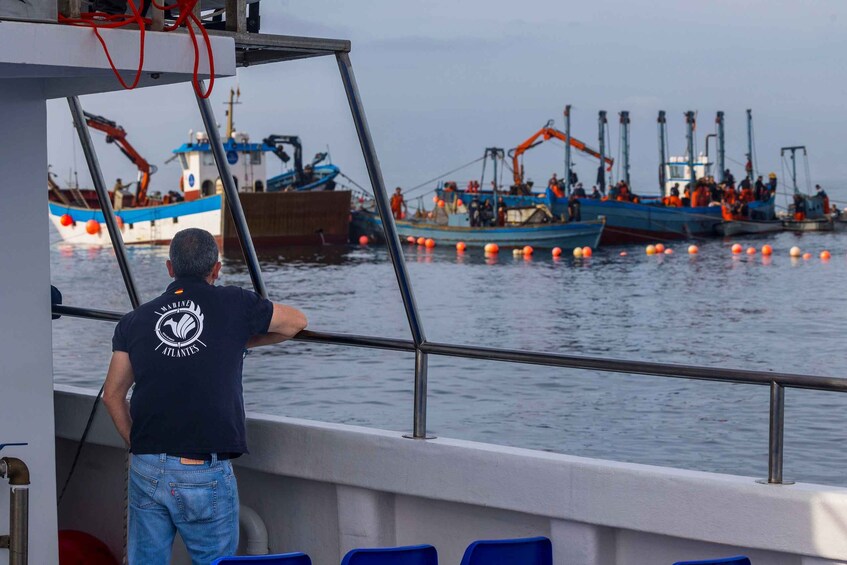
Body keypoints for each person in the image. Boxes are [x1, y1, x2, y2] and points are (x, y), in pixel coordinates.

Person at [102, 228, 308, 565]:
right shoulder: (235, 303)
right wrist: (243, 339)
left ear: (170, 268)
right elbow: (296, 322)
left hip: (147, 463)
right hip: (202, 470)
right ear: (216, 268)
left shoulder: (134, 321)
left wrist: (137, 442)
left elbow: (112, 394)